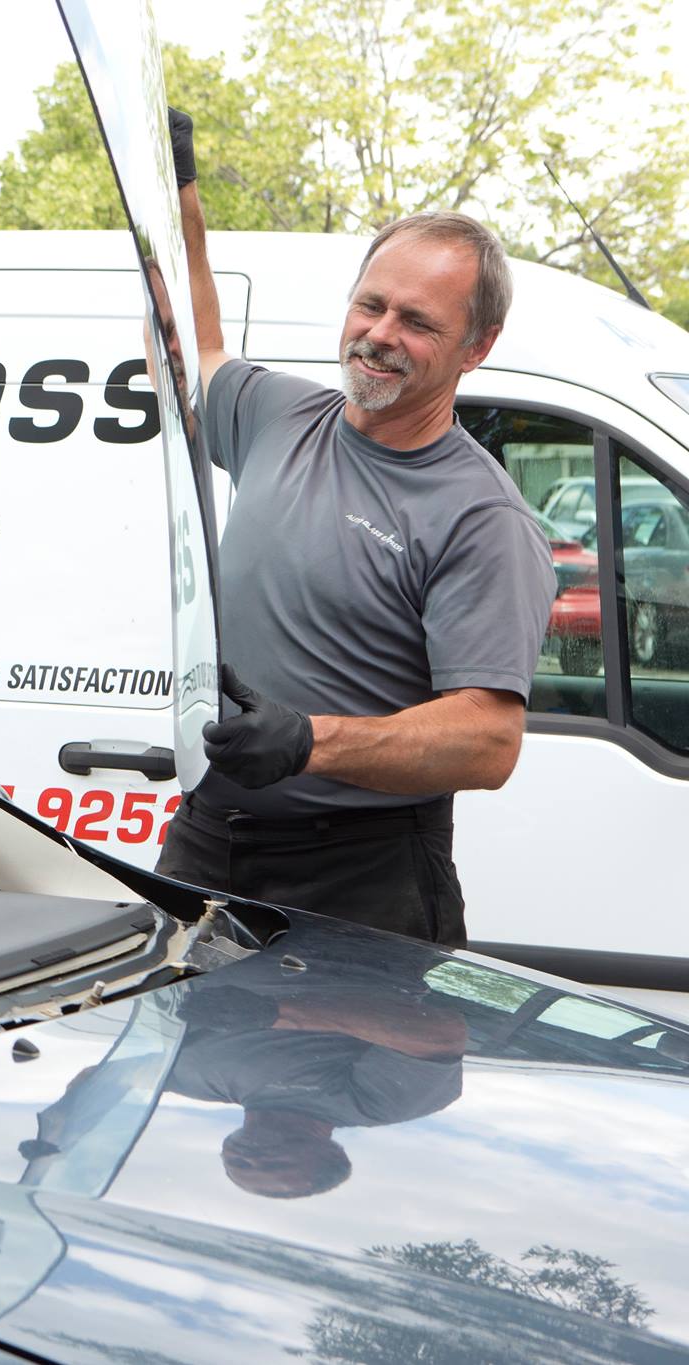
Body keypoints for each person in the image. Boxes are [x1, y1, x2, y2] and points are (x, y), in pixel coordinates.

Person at [156, 109, 555, 946]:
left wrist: (310, 742)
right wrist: (180, 194)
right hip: (205, 845)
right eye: (370, 305)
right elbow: (194, 343)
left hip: (360, 878)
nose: (380, 335)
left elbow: (488, 738)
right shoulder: (279, 415)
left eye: (418, 321)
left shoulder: (482, 517)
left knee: (323, 1083)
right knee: (174, 1067)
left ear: (476, 347)